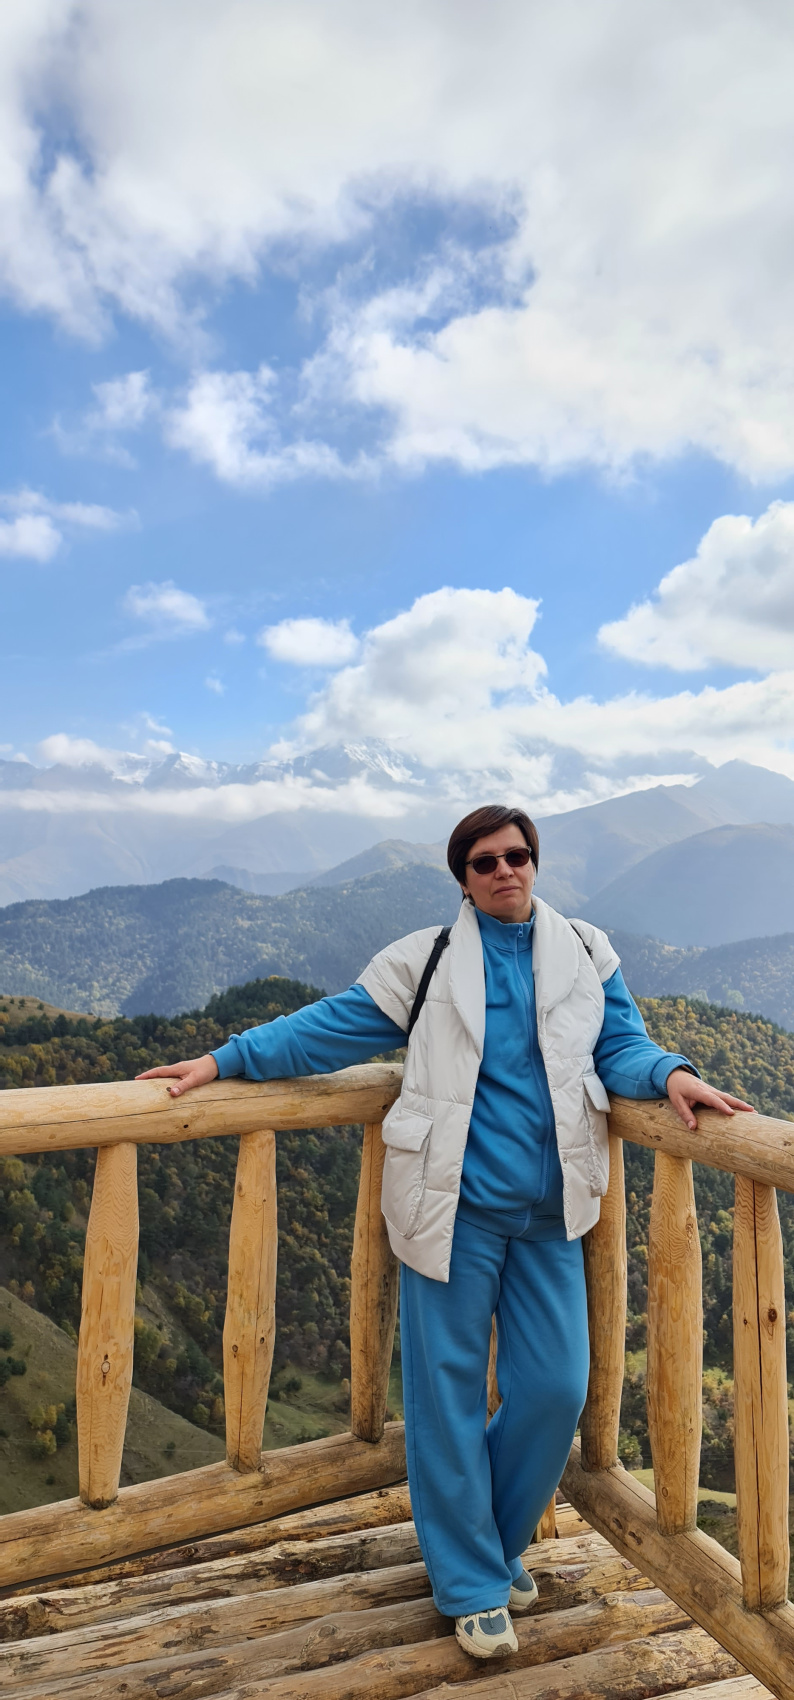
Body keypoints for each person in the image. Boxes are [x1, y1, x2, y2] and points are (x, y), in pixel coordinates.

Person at [138, 804, 751, 1661]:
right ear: (463, 878)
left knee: (555, 1390)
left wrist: (671, 1073)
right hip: (451, 1210)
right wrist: (224, 1059)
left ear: (535, 861)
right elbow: (326, 1027)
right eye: (485, 861)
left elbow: (620, 1045)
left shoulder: (585, 950)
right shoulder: (423, 961)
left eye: (518, 855)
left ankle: (488, 1546)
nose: (506, 871)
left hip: (550, 1217)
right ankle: (470, 1584)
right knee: (447, 1398)